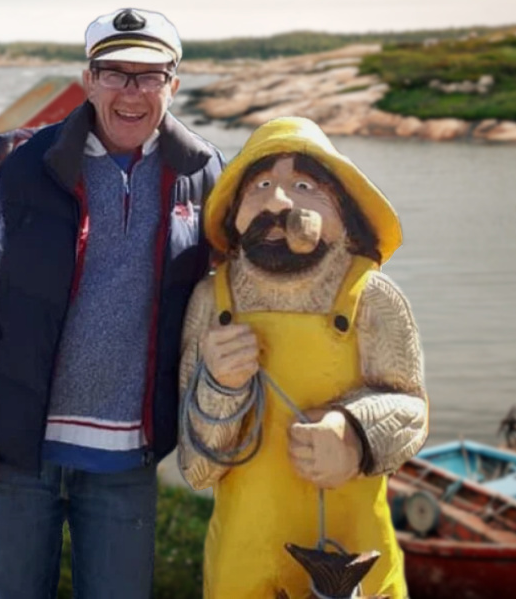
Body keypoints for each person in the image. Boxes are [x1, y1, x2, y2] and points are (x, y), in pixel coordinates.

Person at [0, 7, 223, 599]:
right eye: (114, 73)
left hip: (127, 459)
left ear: (175, 82)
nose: (131, 92)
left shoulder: (203, 172)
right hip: (14, 452)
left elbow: (240, 289)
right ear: (88, 80)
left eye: (149, 75)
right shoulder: (25, 169)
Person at [178, 117, 428, 598]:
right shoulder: (212, 302)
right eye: (262, 186)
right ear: (234, 213)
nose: (278, 203)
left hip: (354, 553)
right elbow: (197, 468)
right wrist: (220, 387)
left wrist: (355, 434)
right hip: (245, 556)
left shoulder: (371, 297)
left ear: (344, 212)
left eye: (305, 186)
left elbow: (414, 411)